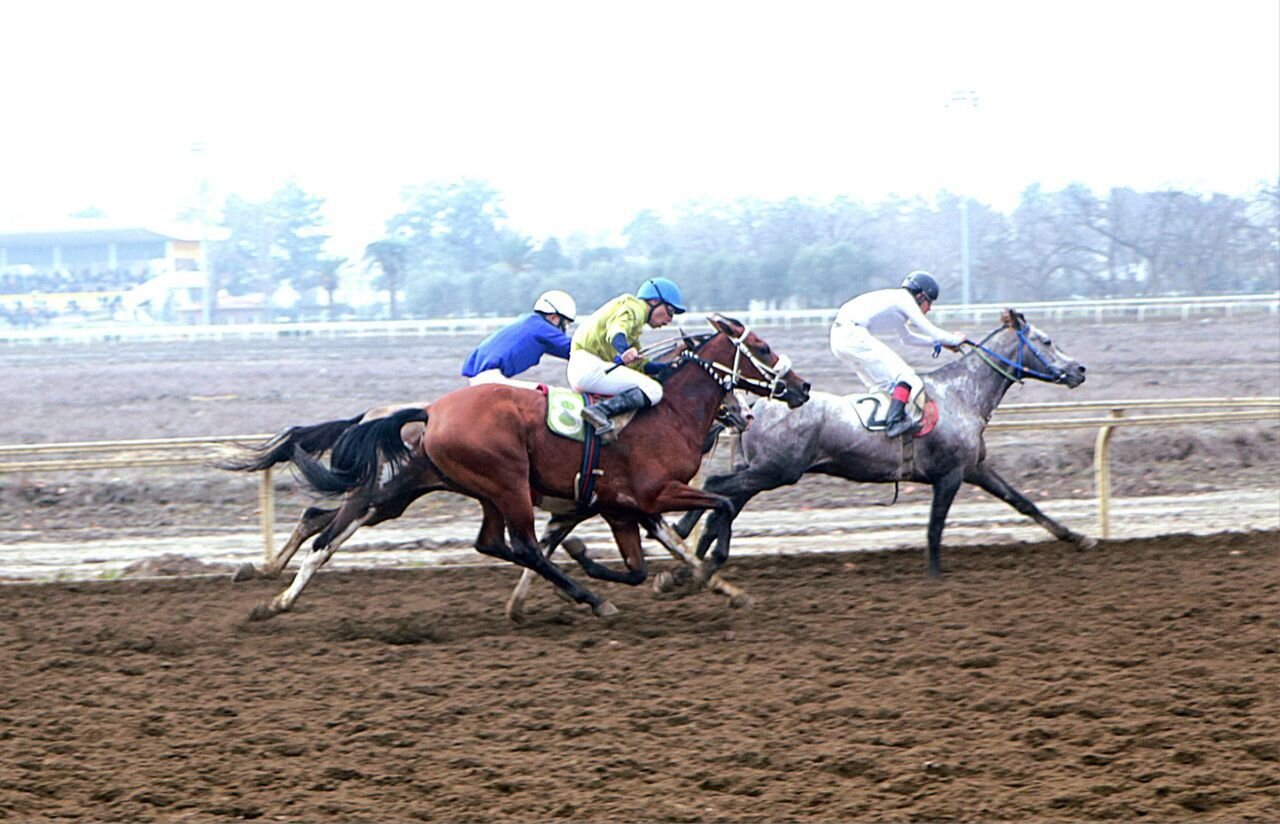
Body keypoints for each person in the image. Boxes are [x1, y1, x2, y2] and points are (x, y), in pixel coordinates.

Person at [830, 270, 969, 438]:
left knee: (883, 387)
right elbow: (931, 330)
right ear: (920, 296)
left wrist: (939, 343)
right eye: (929, 302)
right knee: (905, 376)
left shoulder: (897, 301)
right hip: (853, 335)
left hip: (839, 339)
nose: (930, 308)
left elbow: (907, 338)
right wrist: (955, 339)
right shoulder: (904, 299)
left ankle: (879, 429)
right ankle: (894, 423)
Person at [568, 277, 686, 438]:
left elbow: (639, 366)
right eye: (670, 311)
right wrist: (624, 349)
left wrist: (668, 367)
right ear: (654, 301)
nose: (669, 320)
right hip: (589, 367)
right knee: (653, 390)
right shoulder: (633, 307)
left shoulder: (634, 328)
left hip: (586, 368)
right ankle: (598, 411)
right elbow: (616, 331)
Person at [461, 290, 577, 389]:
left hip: (476, 377)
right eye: (565, 323)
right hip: (492, 378)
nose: (564, 328)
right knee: (551, 395)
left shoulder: (528, 322)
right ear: (554, 317)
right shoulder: (542, 328)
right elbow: (575, 350)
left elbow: (563, 351)